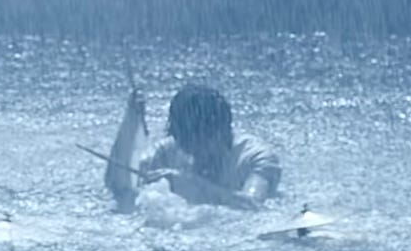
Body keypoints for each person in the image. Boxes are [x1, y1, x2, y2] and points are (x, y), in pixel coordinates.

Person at [105, 84, 282, 211]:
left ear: (221, 132)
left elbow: (252, 205)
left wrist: (194, 186)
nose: (193, 154)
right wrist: (130, 122)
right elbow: (118, 186)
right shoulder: (169, 150)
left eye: (198, 144)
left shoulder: (256, 158)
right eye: (185, 144)